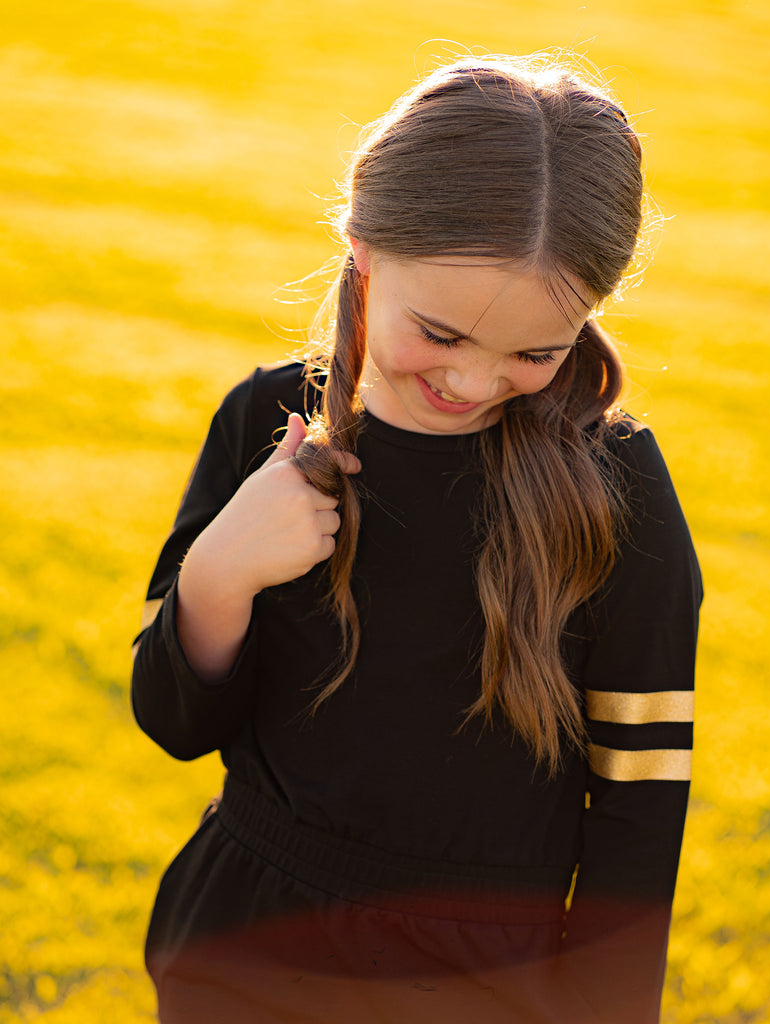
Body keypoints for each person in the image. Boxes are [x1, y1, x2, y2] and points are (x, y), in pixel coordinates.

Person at [132, 54, 702, 1024]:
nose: (475, 383)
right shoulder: (268, 422)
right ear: (364, 250)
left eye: (535, 352)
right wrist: (221, 571)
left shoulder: (618, 494)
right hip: (236, 959)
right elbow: (174, 720)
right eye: (439, 332)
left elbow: (640, 817)